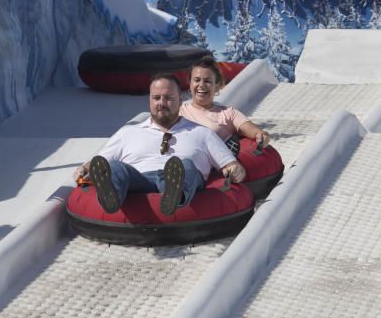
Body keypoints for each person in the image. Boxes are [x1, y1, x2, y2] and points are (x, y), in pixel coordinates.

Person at [73, 74, 246, 215]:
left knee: (185, 164)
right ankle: (111, 196)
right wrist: (84, 169)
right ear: (150, 100)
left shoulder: (202, 133)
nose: (161, 103)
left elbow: (230, 165)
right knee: (116, 167)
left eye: (168, 98)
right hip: (139, 179)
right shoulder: (128, 132)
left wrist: (234, 170)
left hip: (180, 176)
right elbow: (100, 161)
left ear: (180, 99)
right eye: (156, 98)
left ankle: (175, 194)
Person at [179, 56, 271, 153]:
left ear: (216, 86)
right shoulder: (177, 111)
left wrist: (262, 135)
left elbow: (256, 132)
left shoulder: (228, 114)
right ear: (190, 84)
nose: (201, 85)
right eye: (197, 80)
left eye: (207, 81)